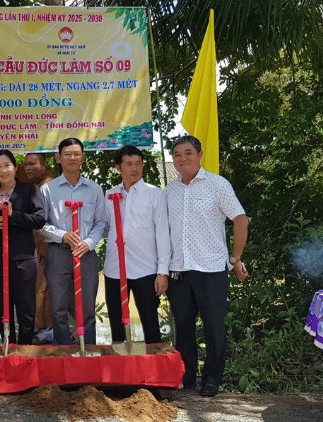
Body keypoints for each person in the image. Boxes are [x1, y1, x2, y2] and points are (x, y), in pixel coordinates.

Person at [165, 135, 249, 397]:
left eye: (188, 153)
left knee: (213, 327)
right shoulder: (169, 191)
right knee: (184, 325)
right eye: (177, 154)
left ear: (199, 155)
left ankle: (212, 379)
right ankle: (187, 376)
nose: (183, 158)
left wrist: (235, 259)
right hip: (178, 269)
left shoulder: (217, 185)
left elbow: (240, 219)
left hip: (211, 269)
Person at [39, 138, 108, 345]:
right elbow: (40, 224)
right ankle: (63, 353)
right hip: (58, 253)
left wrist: (88, 242)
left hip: (85, 253)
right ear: (58, 158)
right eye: (67, 154)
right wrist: (62, 235)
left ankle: (88, 354)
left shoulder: (94, 189)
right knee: (58, 307)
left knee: (86, 308)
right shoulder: (48, 190)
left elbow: (101, 222)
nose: (72, 158)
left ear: (83, 158)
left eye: (77, 154)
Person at [103, 146, 169, 345]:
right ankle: (120, 372)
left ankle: (155, 372)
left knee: (150, 323)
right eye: (129, 164)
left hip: (146, 270)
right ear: (118, 168)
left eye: (138, 163)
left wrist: (162, 271)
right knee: (117, 324)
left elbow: (163, 233)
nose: (135, 168)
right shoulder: (109, 195)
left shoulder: (154, 194)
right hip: (115, 269)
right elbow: (105, 227)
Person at [0, 150, 45, 344]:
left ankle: (25, 349)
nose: (3, 170)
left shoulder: (29, 190)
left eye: (7, 165)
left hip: (24, 259)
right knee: (3, 307)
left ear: (15, 168)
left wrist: (13, 215)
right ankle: (7, 346)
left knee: (26, 308)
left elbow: (39, 219)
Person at [23, 152, 55, 344]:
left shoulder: (46, 186)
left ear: (43, 165)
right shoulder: (35, 185)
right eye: (26, 164)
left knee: (42, 289)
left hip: (45, 247)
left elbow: (45, 221)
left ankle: (45, 329)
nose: (28, 168)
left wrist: (42, 248)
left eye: (32, 164)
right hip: (38, 246)